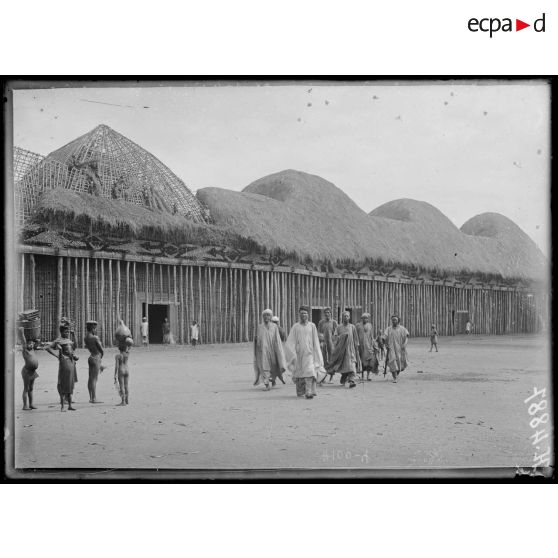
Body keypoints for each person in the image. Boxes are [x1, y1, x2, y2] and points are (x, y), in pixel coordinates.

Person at [285, 306, 326, 399]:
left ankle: (308, 391)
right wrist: (292, 353)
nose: (304, 315)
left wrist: (317, 352)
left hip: (309, 354)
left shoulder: (312, 326)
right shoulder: (296, 327)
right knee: (299, 373)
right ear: (299, 314)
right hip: (299, 354)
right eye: (302, 313)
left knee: (310, 371)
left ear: (308, 315)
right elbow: (290, 341)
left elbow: (315, 340)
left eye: (305, 313)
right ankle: (301, 391)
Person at [47, 323, 78, 411]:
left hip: (71, 362)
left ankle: (69, 405)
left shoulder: (68, 340)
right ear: (61, 332)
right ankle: (63, 405)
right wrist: (57, 355)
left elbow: (75, 346)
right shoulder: (58, 341)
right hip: (64, 363)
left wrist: (74, 335)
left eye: (68, 332)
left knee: (70, 383)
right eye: (65, 332)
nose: (67, 333)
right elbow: (48, 347)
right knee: (63, 382)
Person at [254, 309, 287, 390]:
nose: (266, 317)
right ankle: (267, 384)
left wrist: (278, 350)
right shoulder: (260, 327)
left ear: (270, 317)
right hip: (263, 351)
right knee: (264, 366)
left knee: (274, 366)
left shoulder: (274, 327)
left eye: (268, 315)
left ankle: (273, 380)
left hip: (272, 350)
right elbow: (258, 339)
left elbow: (277, 339)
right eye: (264, 315)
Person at [327, 311, 361, 388]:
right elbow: (335, 337)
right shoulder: (339, 327)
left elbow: (356, 338)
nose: (346, 317)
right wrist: (341, 337)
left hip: (351, 349)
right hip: (342, 351)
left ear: (349, 317)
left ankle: (351, 380)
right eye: (344, 316)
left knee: (352, 365)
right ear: (342, 317)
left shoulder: (352, 327)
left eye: (347, 316)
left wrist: (357, 349)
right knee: (344, 366)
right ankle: (344, 377)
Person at [19, 327, 41, 410]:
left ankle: (31, 404)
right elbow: (23, 341)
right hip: (26, 371)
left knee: (31, 388)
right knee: (26, 388)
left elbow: (37, 342)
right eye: (29, 344)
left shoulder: (32, 350)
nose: (30, 345)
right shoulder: (25, 350)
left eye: (31, 344)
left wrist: (36, 339)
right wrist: (22, 333)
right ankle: (25, 405)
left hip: (33, 372)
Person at [382, 315, 409, 383]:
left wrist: (404, 344)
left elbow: (407, 337)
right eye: (393, 320)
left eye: (395, 320)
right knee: (392, 361)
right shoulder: (388, 329)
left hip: (400, 349)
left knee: (399, 363)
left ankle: (396, 374)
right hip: (391, 349)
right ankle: (395, 378)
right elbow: (384, 337)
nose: (394, 321)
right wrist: (385, 344)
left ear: (398, 321)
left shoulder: (402, 329)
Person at [84, 320, 106, 403]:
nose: (95, 330)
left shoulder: (86, 337)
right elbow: (101, 351)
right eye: (95, 328)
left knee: (90, 379)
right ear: (93, 328)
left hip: (91, 357)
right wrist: (100, 360)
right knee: (94, 379)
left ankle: (91, 397)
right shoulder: (95, 338)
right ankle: (94, 398)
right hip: (96, 357)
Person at [356, 313, 380, 380]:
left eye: (366, 318)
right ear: (361, 318)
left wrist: (374, 344)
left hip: (369, 346)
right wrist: (356, 344)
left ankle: (368, 376)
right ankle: (362, 375)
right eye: (363, 318)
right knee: (362, 361)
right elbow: (355, 336)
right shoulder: (358, 326)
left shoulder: (370, 325)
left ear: (368, 319)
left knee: (369, 361)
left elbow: (371, 336)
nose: (365, 319)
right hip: (360, 346)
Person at [317, 307, 338, 383]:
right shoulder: (321, 322)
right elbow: (319, 332)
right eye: (325, 313)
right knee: (323, 359)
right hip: (323, 344)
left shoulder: (334, 322)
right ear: (324, 314)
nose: (327, 314)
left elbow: (336, 334)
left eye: (328, 312)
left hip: (331, 344)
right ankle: (323, 377)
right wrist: (321, 341)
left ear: (331, 314)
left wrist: (334, 344)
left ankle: (331, 378)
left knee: (331, 360)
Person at [114, 337, 132, 406]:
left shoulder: (118, 356)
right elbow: (130, 346)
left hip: (121, 370)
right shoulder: (127, 354)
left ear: (119, 348)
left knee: (122, 386)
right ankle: (127, 400)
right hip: (127, 370)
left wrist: (115, 374)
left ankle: (123, 401)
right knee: (126, 385)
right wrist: (127, 342)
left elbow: (116, 366)